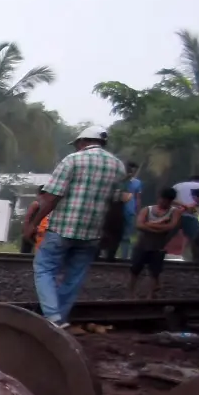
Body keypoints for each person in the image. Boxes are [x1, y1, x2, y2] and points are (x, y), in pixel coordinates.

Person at [23, 126, 127, 327]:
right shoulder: (118, 167)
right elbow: (115, 206)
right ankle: (58, 319)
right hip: (93, 233)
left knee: (44, 268)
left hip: (62, 228)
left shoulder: (73, 160)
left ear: (82, 142)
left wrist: (33, 224)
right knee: (75, 275)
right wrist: (110, 234)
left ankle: (53, 317)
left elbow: (52, 197)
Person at [129, 188, 184, 299]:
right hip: (143, 243)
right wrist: (158, 228)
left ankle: (150, 294)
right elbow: (139, 225)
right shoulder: (147, 210)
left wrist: (149, 224)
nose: (162, 202)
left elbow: (170, 227)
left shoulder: (174, 212)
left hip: (158, 246)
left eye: (166, 200)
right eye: (161, 199)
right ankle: (131, 293)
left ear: (170, 201)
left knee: (154, 272)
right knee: (135, 269)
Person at [108, 160, 142, 259]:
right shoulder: (117, 181)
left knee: (126, 236)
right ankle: (109, 255)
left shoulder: (137, 183)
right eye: (130, 170)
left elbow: (138, 198)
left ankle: (124, 257)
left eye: (134, 171)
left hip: (130, 211)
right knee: (112, 234)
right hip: (115, 211)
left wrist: (137, 211)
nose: (132, 173)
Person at [172, 173, 199, 258]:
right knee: (195, 239)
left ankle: (153, 256)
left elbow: (170, 199)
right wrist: (190, 206)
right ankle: (196, 260)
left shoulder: (178, 186)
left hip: (177, 214)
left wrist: (184, 206)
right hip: (193, 217)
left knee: (166, 236)